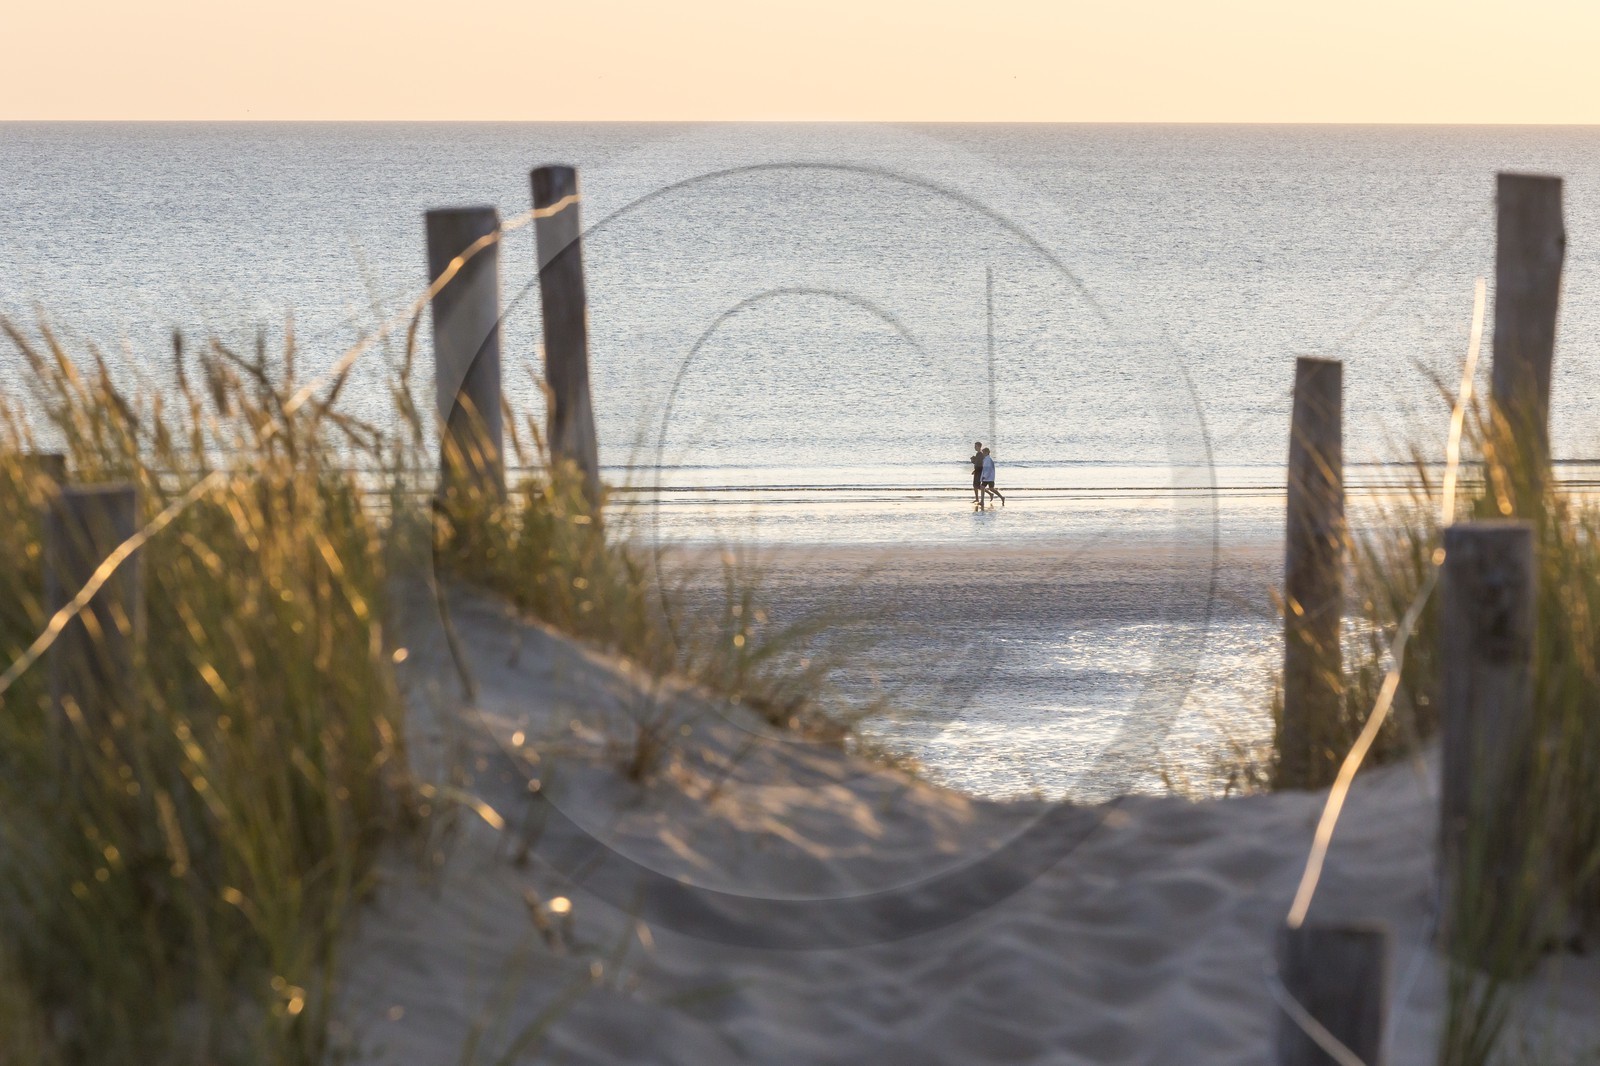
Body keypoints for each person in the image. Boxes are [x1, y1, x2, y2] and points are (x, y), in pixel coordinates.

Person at [969, 441, 985, 506]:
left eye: (975, 446)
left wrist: (973, 461)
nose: (974, 447)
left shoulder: (980, 454)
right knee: (976, 485)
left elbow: (978, 463)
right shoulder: (978, 454)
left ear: (979, 446)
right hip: (978, 470)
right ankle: (977, 498)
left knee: (977, 485)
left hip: (979, 471)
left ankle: (978, 498)